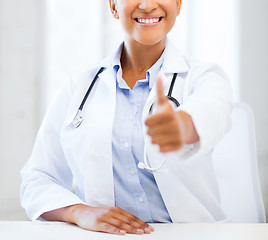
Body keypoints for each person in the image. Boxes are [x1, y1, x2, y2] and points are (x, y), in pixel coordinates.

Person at [20, 0, 233, 236]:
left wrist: (180, 127)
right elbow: (37, 179)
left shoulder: (205, 77)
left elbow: (212, 113)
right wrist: (79, 211)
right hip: (105, 236)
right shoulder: (78, 87)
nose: (147, 5)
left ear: (178, 4)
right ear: (113, 5)